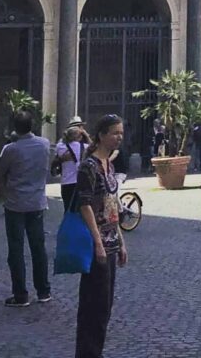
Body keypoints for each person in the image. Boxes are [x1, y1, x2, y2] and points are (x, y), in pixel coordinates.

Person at [76, 114, 127, 358]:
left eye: (121, 133)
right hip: (95, 243)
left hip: (111, 241)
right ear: (101, 135)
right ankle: (88, 353)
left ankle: (95, 351)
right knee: (93, 304)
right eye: (115, 133)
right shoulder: (89, 166)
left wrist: (121, 241)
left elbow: (112, 204)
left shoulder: (110, 165)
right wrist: (98, 242)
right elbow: (85, 205)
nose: (119, 137)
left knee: (105, 304)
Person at [0, 109, 52, 307]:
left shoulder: (11, 149)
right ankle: (44, 290)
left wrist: (0, 191)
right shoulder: (44, 144)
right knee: (38, 248)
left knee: (16, 250)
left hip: (15, 203)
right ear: (32, 126)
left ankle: (20, 295)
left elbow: (1, 173)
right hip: (36, 202)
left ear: (14, 128)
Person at [53, 123, 87, 213]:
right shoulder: (85, 147)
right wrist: (86, 135)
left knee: (67, 209)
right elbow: (95, 147)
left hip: (66, 182)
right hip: (80, 182)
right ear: (80, 136)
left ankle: (67, 226)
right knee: (80, 210)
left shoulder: (60, 147)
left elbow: (56, 159)